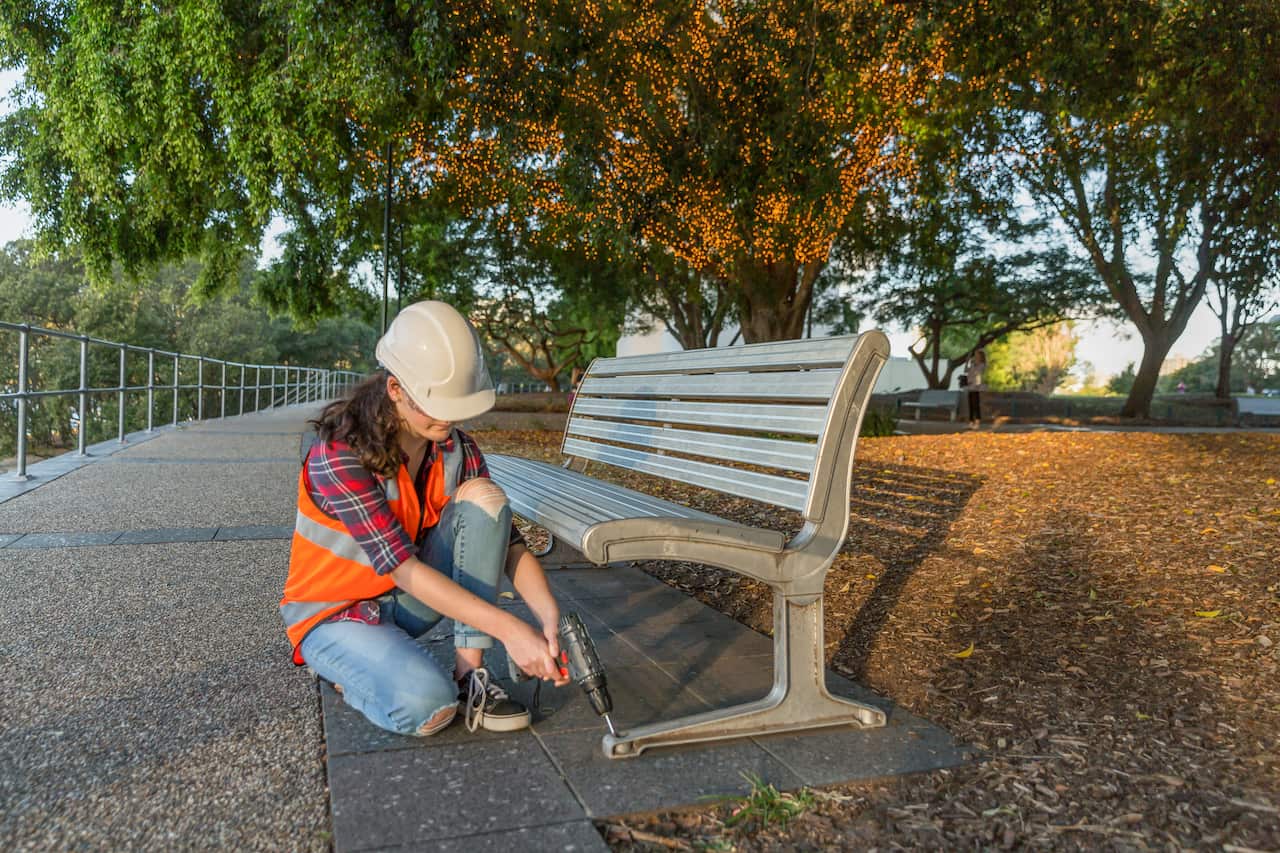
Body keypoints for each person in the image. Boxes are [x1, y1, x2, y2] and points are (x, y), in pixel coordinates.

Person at [280, 301, 568, 738]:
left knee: (485, 498)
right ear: (395, 389)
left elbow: (507, 544)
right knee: (429, 709)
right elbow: (403, 567)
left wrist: (547, 618)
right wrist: (511, 630)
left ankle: (470, 677)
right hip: (334, 615)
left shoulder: (457, 447)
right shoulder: (339, 454)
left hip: (405, 602)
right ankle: (346, 672)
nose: (449, 417)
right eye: (436, 403)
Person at [965, 348, 986, 429]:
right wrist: (967, 362)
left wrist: (974, 364)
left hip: (977, 387)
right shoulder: (972, 364)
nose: (975, 356)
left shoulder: (982, 365)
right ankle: (971, 422)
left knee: (976, 404)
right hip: (970, 386)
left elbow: (978, 373)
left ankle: (977, 421)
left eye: (977, 355)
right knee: (970, 404)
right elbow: (966, 371)